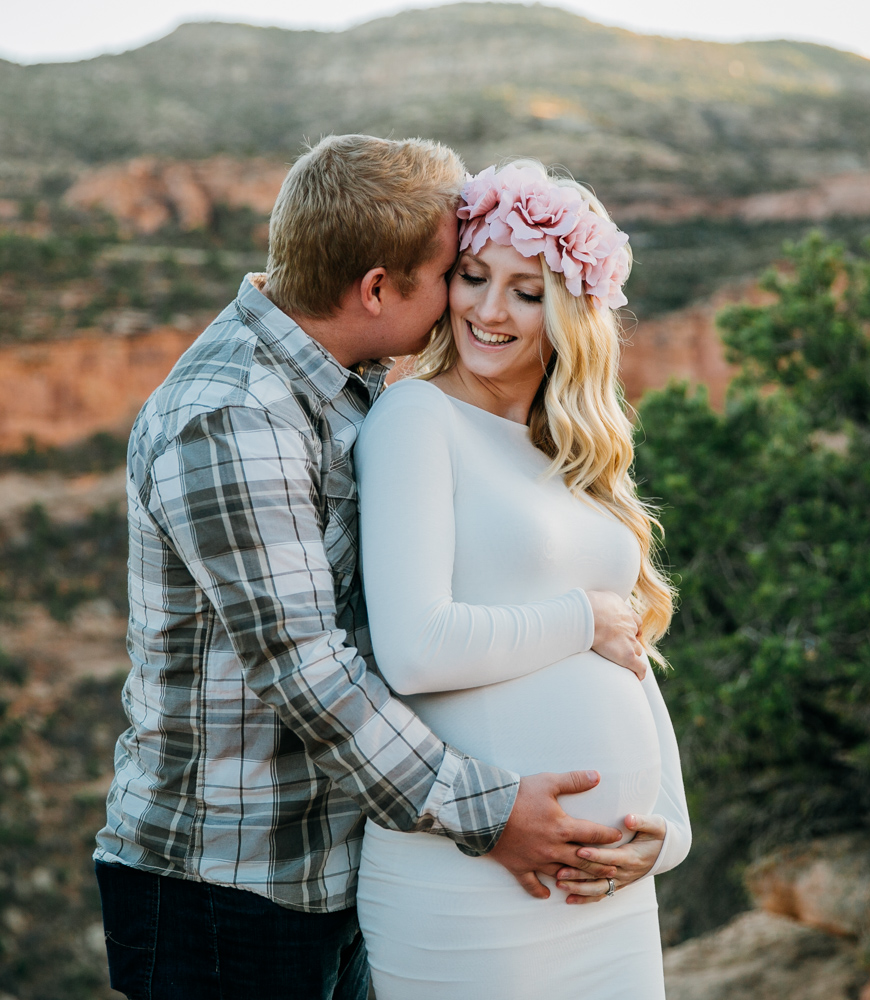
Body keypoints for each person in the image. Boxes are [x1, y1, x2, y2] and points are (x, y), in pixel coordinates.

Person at [92, 136, 653, 1000]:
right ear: (378, 290)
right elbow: (308, 671)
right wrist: (491, 813)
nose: (463, 308)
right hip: (225, 888)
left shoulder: (346, 388)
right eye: (450, 276)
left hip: (332, 867)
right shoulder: (234, 417)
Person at [353, 160, 692, 999]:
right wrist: (581, 616)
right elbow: (415, 649)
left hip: (607, 881)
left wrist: (671, 833)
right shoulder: (415, 418)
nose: (490, 310)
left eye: (527, 290)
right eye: (474, 278)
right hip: (470, 879)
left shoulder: (575, 454)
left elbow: (630, 654)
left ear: (573, 314)